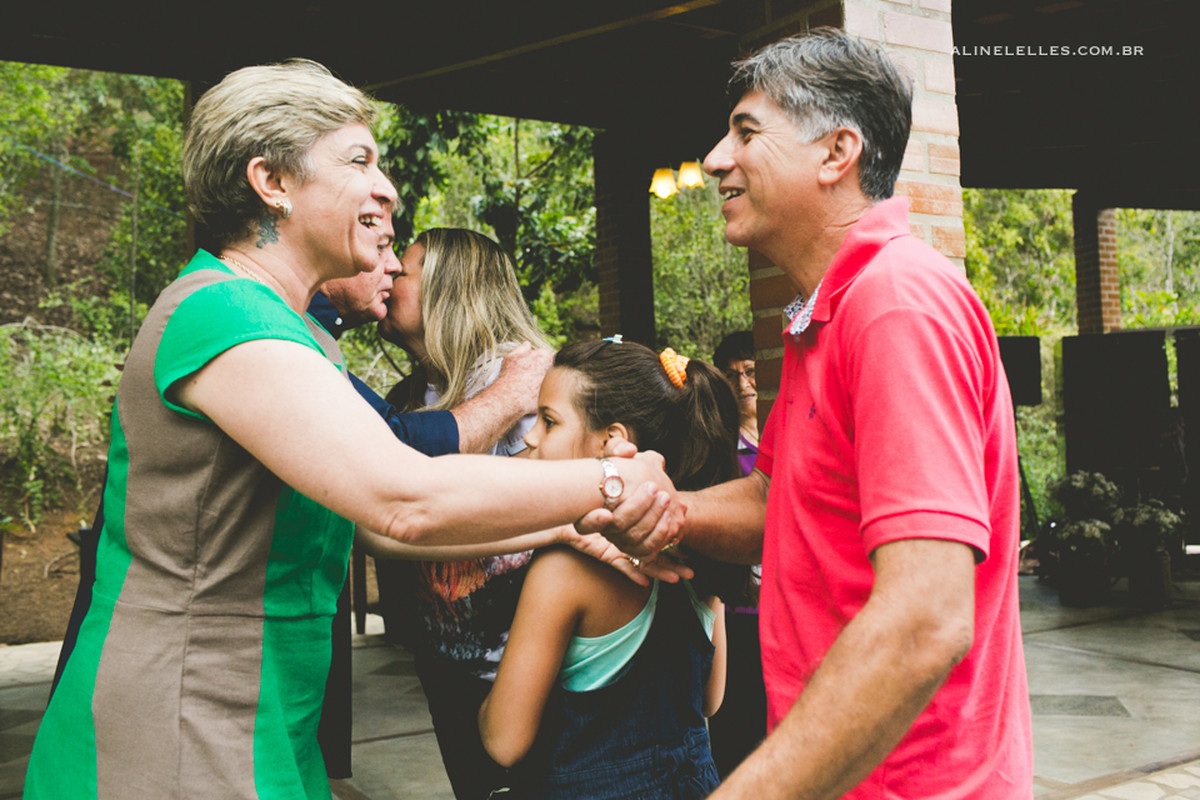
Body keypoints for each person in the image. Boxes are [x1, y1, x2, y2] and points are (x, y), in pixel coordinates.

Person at [23, 59, 680, 800]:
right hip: (180, 721)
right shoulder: (222, 313)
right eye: (359, 160)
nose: (388, 189)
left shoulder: (296, 333)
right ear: (271, 183)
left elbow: (386, 534)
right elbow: (403, 498)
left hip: (265, 716)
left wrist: (565, 527)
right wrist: (618, 478)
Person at [599, 28, 1033, 799]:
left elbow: (928, 616)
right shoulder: (828, 312)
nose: (713, 160)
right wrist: (672, 509)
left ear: (837, 153)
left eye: (746, 131)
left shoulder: (895, 306)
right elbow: (779, 499)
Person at [305, 221, 552, 780]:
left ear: (453, 288)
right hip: (449, 661)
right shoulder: (412, 397)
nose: (389, 272)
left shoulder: (528, 376)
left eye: (406, 267)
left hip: (530, 669)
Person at [478, 339, 740, 799]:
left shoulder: (565, 569)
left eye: (549, 420)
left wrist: (481, 702)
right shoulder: (697, 548)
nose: (532, 437)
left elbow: (504, 742)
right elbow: (710, 701)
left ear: (611, 441)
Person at [704, 329, 767, 779]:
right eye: (731, 375)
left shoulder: (786, 437)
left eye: (750, 370)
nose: (743, 383)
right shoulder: (719, 445)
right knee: (737, 729)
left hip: (786, 605)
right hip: (741, 610)